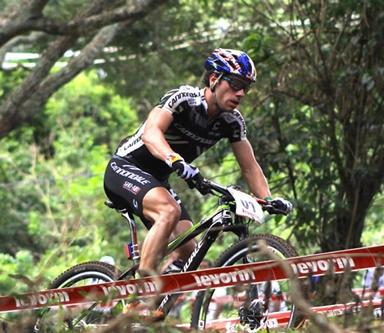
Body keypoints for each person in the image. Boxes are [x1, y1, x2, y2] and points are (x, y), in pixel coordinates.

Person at [103, 48, 292, 281]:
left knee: (188, 248)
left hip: (157, 179)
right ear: (214, 79)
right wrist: (175, 160)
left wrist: (268, 199)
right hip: (125, 167)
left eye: (246, 87)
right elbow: (151, 134)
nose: (241, 92)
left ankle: (151, 303)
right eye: (234, 83)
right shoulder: (183, 99)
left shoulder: (232, 121)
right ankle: (141, 287)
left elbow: (250, 166)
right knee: (168, 211)